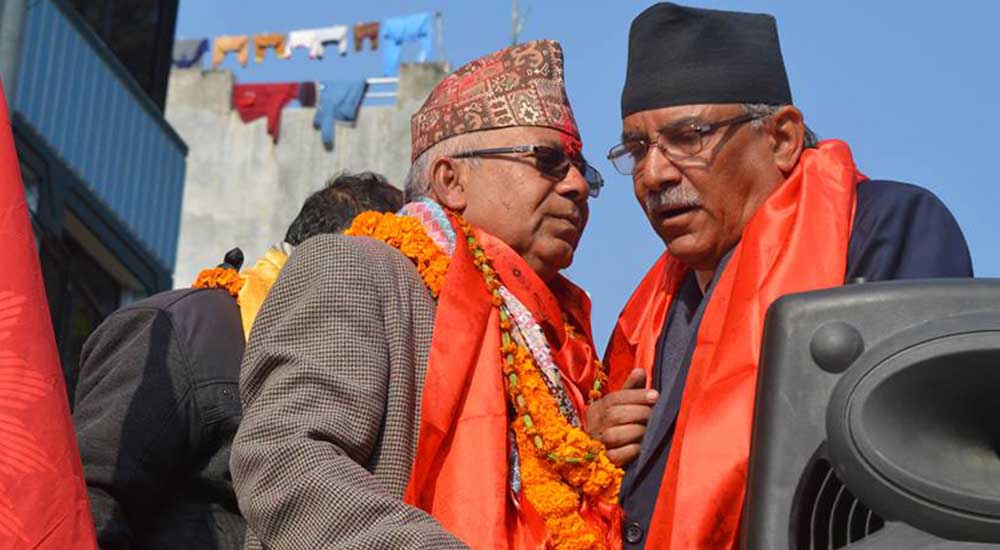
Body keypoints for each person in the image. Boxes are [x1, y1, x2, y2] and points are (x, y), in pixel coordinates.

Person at [587, 4, 974, 549]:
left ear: (782, 138)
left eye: (689, 137)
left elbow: (913, 461)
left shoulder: (878, 228)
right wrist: (598, 443)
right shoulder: (649, 312)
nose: (654, 174)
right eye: (637, 149)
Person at [231, 40, 622, 550]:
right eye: (547, 161)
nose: (576, 186)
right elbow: (284, 460)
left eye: (582, 170)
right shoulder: (357, 269)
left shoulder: (561, 347)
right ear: (450, 180)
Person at [71, 172, 402, 550]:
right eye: (387, 286)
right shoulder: (179, 330)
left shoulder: (355, 385)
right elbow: (89, 502)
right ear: (331, 261)